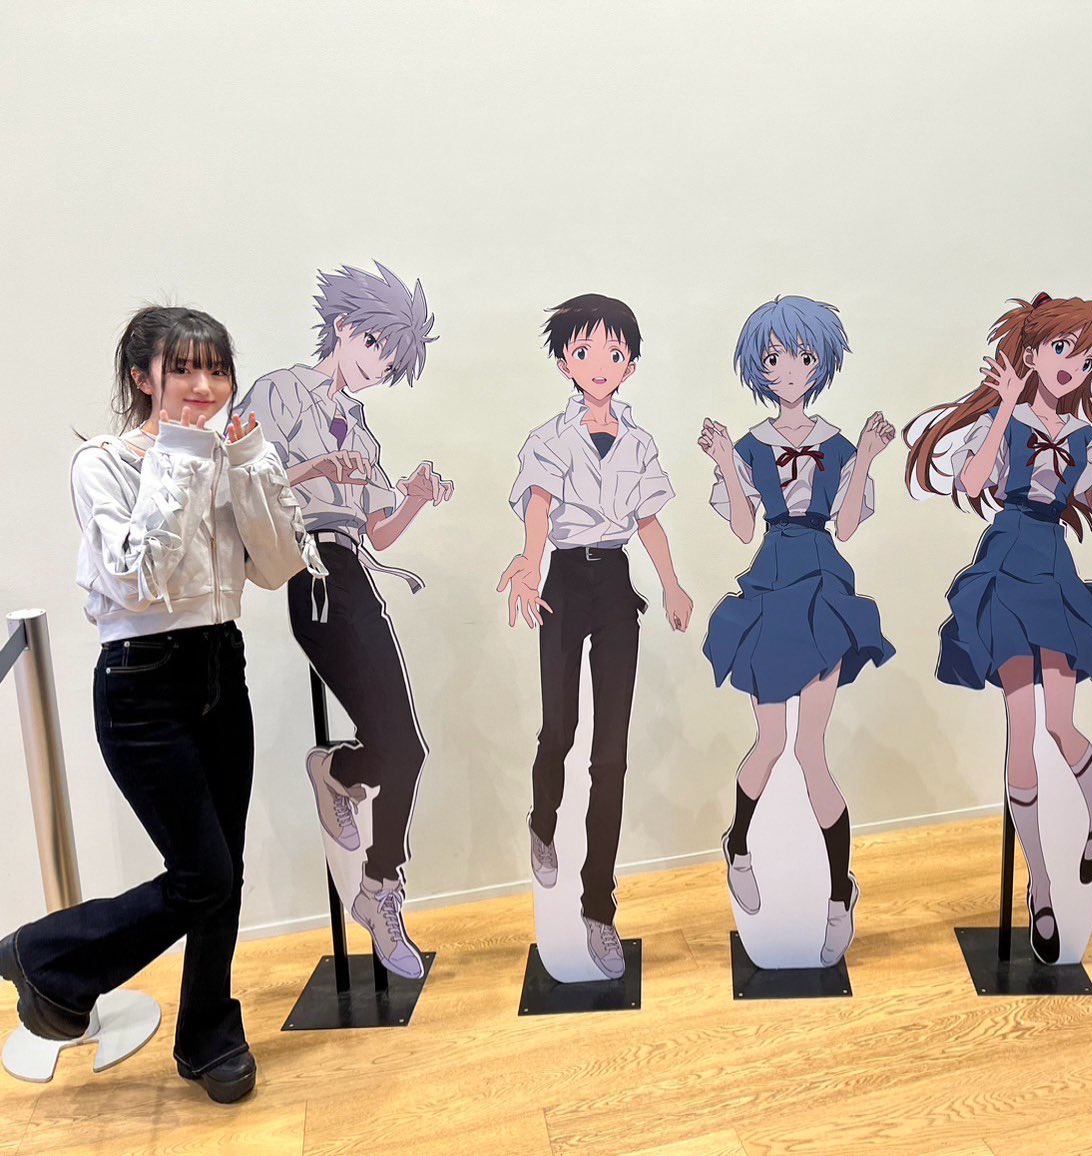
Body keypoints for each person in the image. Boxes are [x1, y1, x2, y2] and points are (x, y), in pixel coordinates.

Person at [0, 306, 323, 1103]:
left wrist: (248, 462)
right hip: (141, 684)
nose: (203, 386)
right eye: (182, 369)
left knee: (223, 872)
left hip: (220, 666)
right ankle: (46, 955)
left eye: (216, 368)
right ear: (142, 377)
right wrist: (180, 455)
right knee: (202, 873)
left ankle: (207, 1034)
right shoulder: (102, 464)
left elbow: (277, 566)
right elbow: (138, 579)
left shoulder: (227, 455)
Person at [904, 293, 1092, 963]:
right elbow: (974, 482)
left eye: (1083, 361)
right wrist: (1003, 407)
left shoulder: (1083, 433)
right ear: (1030, 352)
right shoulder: (1008, 419)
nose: (1070, 367)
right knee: (1021, 726)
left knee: (1061, 723)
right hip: (1006, 564)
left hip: (1053, 571)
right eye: (1060, 350)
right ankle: (1042, 889)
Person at [234, 262, 447, 980]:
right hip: (311, 571)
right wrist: (316, 468)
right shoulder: (280, 391)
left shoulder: (362, 430)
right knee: (401, 744)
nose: (380, 367)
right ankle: (353, 820)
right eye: (378, 347)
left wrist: (413, 497)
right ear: (345, 326)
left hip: (354, 571)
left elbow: (377, 530)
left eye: (392, 361)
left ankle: (370, 864)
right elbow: (242, 483)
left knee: (407, 748)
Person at [500, 294, 693, 980]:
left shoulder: (638, 442)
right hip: (562, 579)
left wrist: (671, 584)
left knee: (610, 755)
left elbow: (648, 521)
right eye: (583, 352)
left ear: (629, 364)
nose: (599, 364)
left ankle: (597, 908)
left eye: (613, 353)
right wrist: (529, 563)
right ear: (565, 362)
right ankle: (542, 821)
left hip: (614, 583)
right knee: (560, 727)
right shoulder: (550, 437)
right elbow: (539, 505)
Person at [699, 295, 895, 967]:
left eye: (801, 357)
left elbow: (847, 527)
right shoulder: (751, 444)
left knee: (810, 749)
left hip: (823, 586)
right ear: (758, 366)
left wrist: (865, 458)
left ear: (820, 364)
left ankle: (840, 894)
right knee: (771, 740)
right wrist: (724, 461)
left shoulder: (838, 444)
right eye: (774, 358)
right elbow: (742, 528)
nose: (787, 370)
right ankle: (739, 845)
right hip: (771, 583)